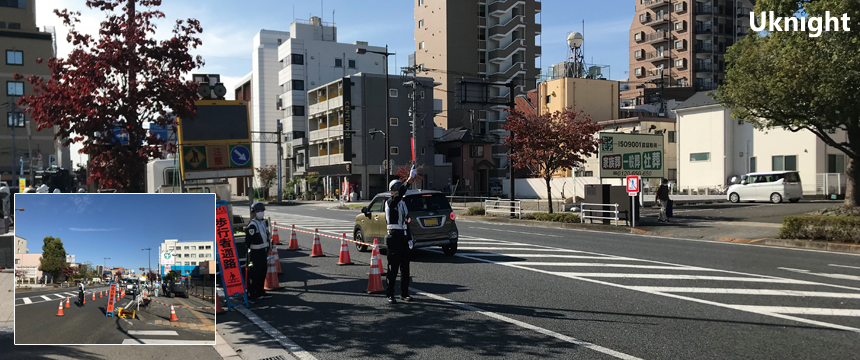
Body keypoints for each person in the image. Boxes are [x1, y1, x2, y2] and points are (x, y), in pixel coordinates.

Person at [384, 166, 418, 304]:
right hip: (394, 236)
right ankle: (390, 294)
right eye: (396, 191)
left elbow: (406, 222)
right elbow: (398, 196)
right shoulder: (390, 202)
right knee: (393, 268)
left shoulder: (403, 203)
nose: (398, 193)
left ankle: (404, 293)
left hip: (403, 236)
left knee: (405, 268)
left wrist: (409, 238)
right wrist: (409, 180)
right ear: (392, 192)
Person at [245, 201, 272, 302]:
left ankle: (260, 292)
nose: (261, 212)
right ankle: (251, 294)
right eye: (258, 211)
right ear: (254, 212)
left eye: (262, 210)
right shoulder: (252, 225)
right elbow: (248, 240)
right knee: (254, 274)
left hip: (263, 252)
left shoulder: (262, 223)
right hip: (255, 253)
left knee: (262, 272)